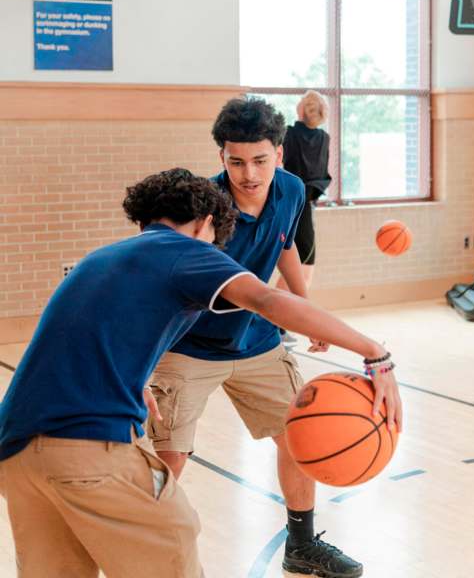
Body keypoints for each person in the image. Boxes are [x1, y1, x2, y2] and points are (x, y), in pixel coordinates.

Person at [0, 167, 401, 578]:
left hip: (15, 452)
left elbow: (80, 335)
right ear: (206, 224)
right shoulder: (183, 250)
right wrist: (374, 353)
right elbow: (266, 299)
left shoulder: (101, 259)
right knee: (175, 540)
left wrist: (129, 379)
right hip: (86, 447)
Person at [147, 98, 398, 578]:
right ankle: (148, 558)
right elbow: (169, 283)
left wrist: (305, 308)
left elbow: (282, 245)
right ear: (221, 157)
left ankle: (301, 546)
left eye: (260, 160)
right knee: (170, 459)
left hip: (258, 341)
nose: (248, 173)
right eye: (236, 161)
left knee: (298, 438)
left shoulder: (292, 190)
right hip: (188, 345)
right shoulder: (201, 208)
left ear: (279, 154)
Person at [280, 90, 331, 289]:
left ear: (301, 109)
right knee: (303, 266)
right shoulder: (324, 138)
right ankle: (272, 317)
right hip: (304, 204)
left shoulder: (289, 133)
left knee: (299, 266)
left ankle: (274, 316)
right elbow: (321, 175)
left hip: (292, 203)